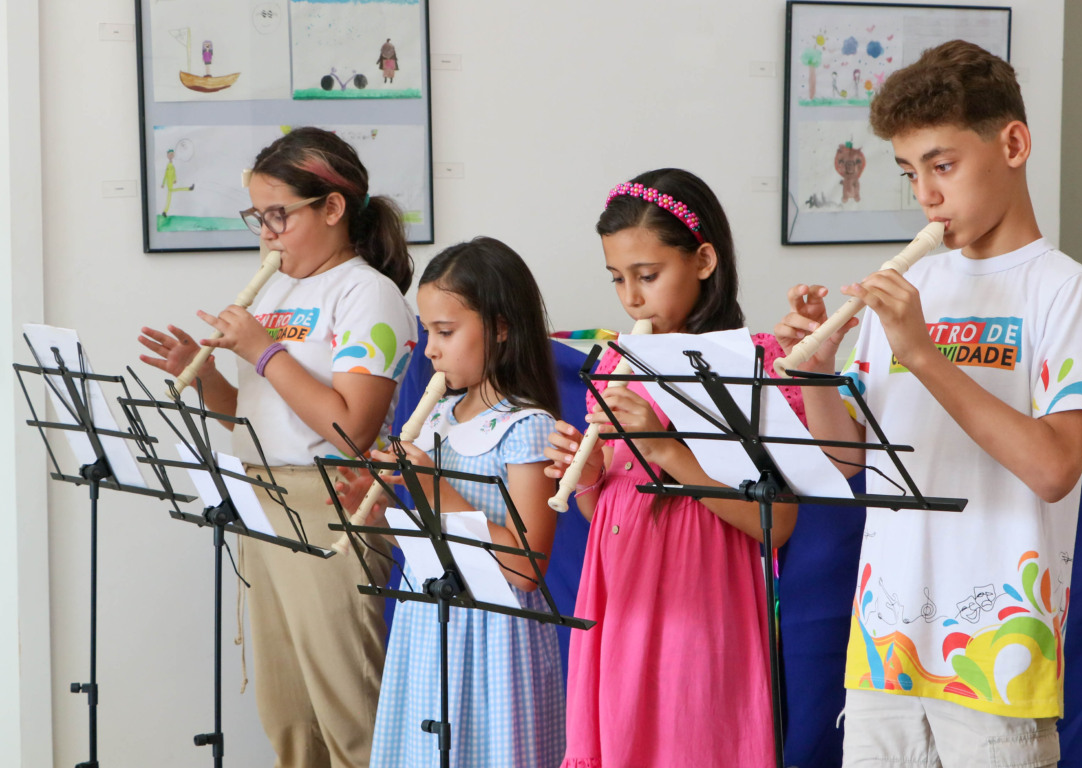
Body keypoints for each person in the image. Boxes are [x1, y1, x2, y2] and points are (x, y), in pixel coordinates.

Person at [774, 41, 1082, 767]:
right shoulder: (913, 289)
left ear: (1013, 145)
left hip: (997, 657)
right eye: (910, 172)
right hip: (885, 647)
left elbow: (1055, 469)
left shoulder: (1066, 290)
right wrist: (817, 371)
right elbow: (850, 460)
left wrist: (925, 355)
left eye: (942, 165)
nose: (926, 196)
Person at [138, 126, 418, 768]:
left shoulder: (366, 293)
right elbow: (260, 417)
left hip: (329, 504)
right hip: (263, 497)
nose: (266, 233)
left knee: (349, 711)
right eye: (258, 217)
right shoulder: (279, 289)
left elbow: (350, 427)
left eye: (279, 215)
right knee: (288, 713)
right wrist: (206, 377)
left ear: (332, 208)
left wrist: (264, 352)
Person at [545, 168, 804, 767]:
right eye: (618, 278)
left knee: (689, 740)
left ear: (704, 261)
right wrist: (589, 476)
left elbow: (777, 523)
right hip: (619, 596)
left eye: (648, 275)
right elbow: (605, 509)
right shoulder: (617, 360)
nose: (631, 298)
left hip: (701, 597)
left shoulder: (749, 362)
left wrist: (665, 449)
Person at [342, 237, 566, 768]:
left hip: (494, 637)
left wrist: (433, 488)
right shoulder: (438, 416)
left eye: (445, 332)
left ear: (501, 328)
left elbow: (526, 568)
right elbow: (429, 544)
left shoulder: (527, 427)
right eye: (427, 332)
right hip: (428, 624)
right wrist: (382, 513)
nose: (430, 349)